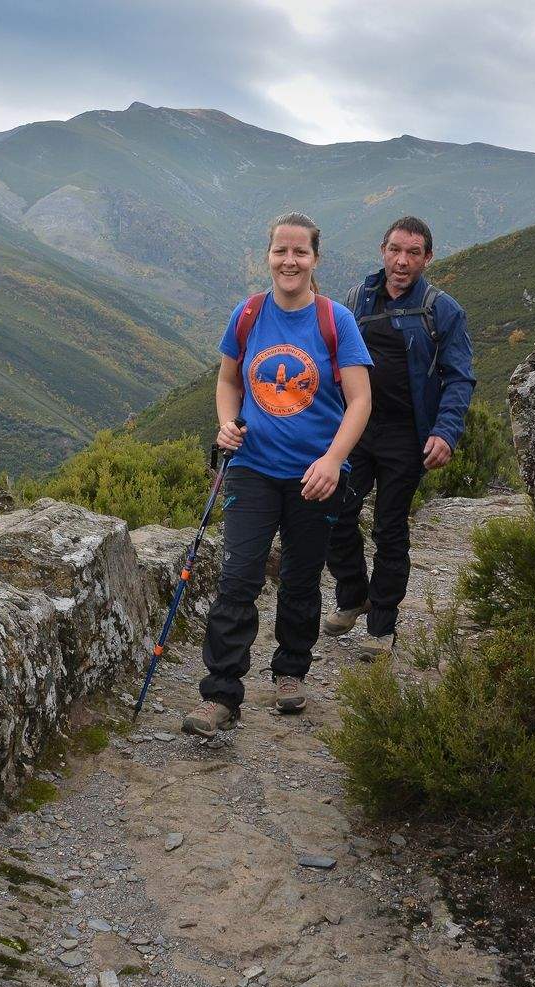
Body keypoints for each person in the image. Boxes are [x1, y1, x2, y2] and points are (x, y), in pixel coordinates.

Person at [182, 212, 373, 738]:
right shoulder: (246, 316)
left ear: (315, 259)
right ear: (268, 255)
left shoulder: (336, 321)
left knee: (300, 579)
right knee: (238, 578)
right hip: (252, 469)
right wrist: (226, 424)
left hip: (316, 476)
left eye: (301, 252)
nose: (290, 261)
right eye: (281, 251)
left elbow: (360, 401)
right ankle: (221, 693)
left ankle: (290, 671)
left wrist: (333, 460)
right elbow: (227, 382)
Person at [323, 216, 475, 659]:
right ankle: (353, 596)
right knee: (335, 510)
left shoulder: (441, 309)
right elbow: (329, 360)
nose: (401, 261)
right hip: (356, 427)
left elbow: (459, 377)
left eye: (413, 253)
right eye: (395, 250)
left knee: (390, 527)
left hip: (408, 435)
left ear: (427, 258)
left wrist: (446, 432)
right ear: (382, 250)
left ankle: (381, 625)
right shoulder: (356, 299)